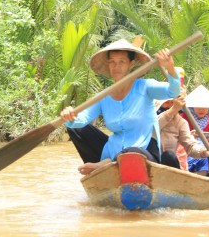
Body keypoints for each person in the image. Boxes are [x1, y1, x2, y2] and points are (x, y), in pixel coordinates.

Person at [60, 39, 181, 175]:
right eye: (112, 62)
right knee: (75, 128)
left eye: (121, 62)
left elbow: (173, 91)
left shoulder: (145, 87)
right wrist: (70, 116)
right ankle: (102, 168)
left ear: (131, 64)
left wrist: (170, 67)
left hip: (143, 150)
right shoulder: (103, 96)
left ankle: (104, 165)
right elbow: (82, 118)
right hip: (112, 150)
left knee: (132, 152)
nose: (116, 66)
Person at [156, 92, 209, 171]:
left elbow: (190, 147)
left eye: (173, 103)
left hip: (168, 165)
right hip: (150, 160)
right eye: (166, 102)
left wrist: (206, 151)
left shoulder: (180, 123)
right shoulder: (151, 116)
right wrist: (171, 112)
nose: (170, 106)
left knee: (168, 155)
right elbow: (153, 127)